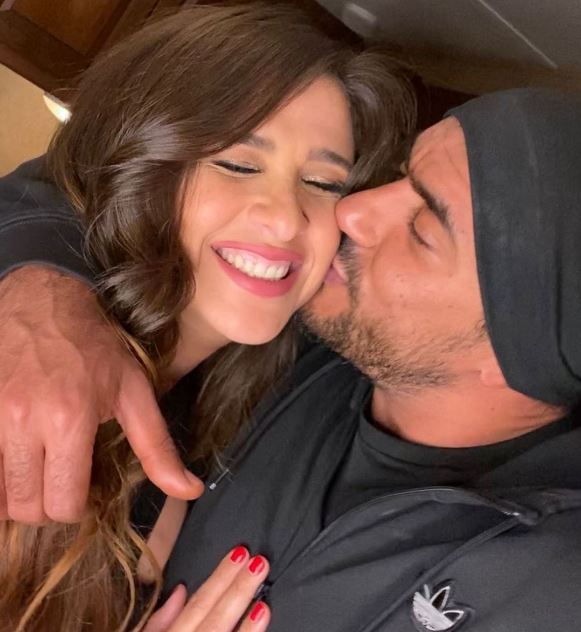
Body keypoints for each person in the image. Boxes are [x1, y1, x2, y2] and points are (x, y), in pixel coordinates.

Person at [3, 86, 581, 632]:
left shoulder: (551, 586)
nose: (354, 210)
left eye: (424, 229)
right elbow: (92, 174)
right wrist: (45, 293)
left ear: (517, 357)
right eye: (400, 174)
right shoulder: (294, 346)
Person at [0, 3, 414, 630]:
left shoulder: (253, 412)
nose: (286, 218)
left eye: (323, 183)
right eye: (238, 165)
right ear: (143, 166)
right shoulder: (21, 378)